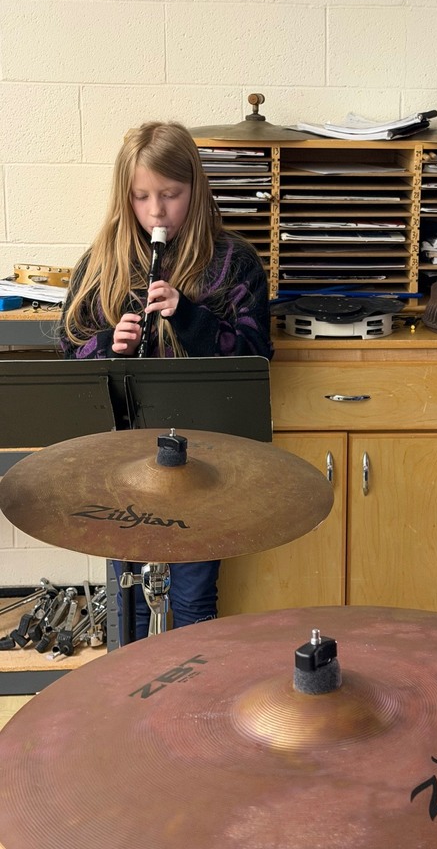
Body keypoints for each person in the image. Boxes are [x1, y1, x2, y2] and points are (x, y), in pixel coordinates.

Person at [60, 120, 273, 640]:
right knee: (127, 600)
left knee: (194, 601)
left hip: (206, 461)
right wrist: (109, 345)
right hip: (121, 464)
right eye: (141, 197)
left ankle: (189, 715)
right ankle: (127, 714)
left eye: (171, 195)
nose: (157, 211)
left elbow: (253, 359)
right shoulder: (101, 263)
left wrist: (189, 317)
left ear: (195, 191)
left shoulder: (234, 262)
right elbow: (69, 357)